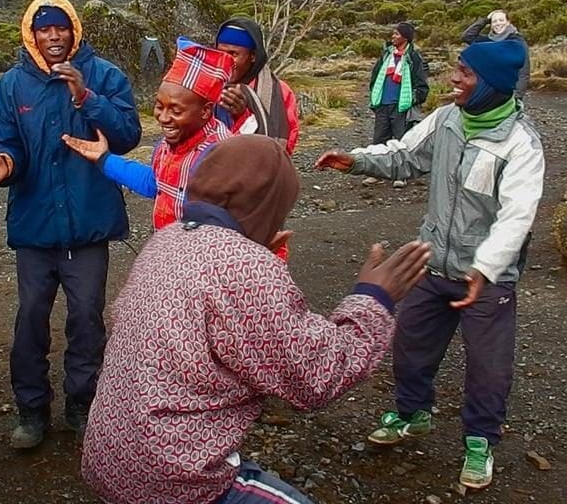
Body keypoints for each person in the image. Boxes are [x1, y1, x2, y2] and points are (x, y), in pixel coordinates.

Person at [81, 134, 432, 504]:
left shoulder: (167, 240)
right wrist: (374, 297)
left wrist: (251, 249)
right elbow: (316, 375)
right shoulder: (244, 268)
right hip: (173, 478)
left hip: (110, 456)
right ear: (264, 207)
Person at [315, 39, 544, 490]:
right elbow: (404, 154)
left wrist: (486, 267)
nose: (455, 79)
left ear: (493, 84)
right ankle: (411, 413)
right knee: (410, 346)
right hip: (432, 264)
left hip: (486, 282)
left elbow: (518, 215)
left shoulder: (521, 144)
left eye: (466, 73)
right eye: (457, 69)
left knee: (488, 367)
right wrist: (356, 161)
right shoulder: (446, 120)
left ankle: (480, 442)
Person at [0, 0, 141, 449]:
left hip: (88, 226)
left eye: (60, 27)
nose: (53, 36)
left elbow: (127, 135)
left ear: (74, 30)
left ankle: (82, 405)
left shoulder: (104, 75)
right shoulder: (12, 86)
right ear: (31, 34)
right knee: (30, 317)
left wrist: (86, 96)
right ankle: (31, 411)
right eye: (43, 28)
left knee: (87, 317)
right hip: (35, 228)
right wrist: (4, 164)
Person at [62, 37, 233, 231]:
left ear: (205, 111)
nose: (163, 117)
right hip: (170, 251)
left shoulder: (221, 155)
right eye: (159, 106)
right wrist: (105, 159)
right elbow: (155, 183)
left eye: (176, 111)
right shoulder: (167, 146)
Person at [214, 17, 300, 154]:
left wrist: (243, 116)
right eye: (221, 53)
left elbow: (286, 145)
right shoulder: (207, 85)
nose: (225, 61)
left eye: (233, 54)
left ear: (253, 56)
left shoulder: (279, 92)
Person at [367, 22, 429, 188]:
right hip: (383, 103)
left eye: (396, 34)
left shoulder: (413, 58)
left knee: (401, 141)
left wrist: (412, 100)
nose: (393, 37)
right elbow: (375, 76)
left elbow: (422, 84)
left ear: (405, 37)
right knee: (379, 140)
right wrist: (374, 96)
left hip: (402, 106)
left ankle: (401, 175)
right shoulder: (386, 55)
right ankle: (376, 173)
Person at [461, 10, 530, 100]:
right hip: (488, 91)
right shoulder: (488, 40)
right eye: (494, 21)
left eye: (501, 20)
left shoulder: (517, 41)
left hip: (508, 92)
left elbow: (523, 71)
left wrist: (517, 96)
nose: (498, 23)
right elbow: (467, 36)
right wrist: (485, 20)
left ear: (508, 22)